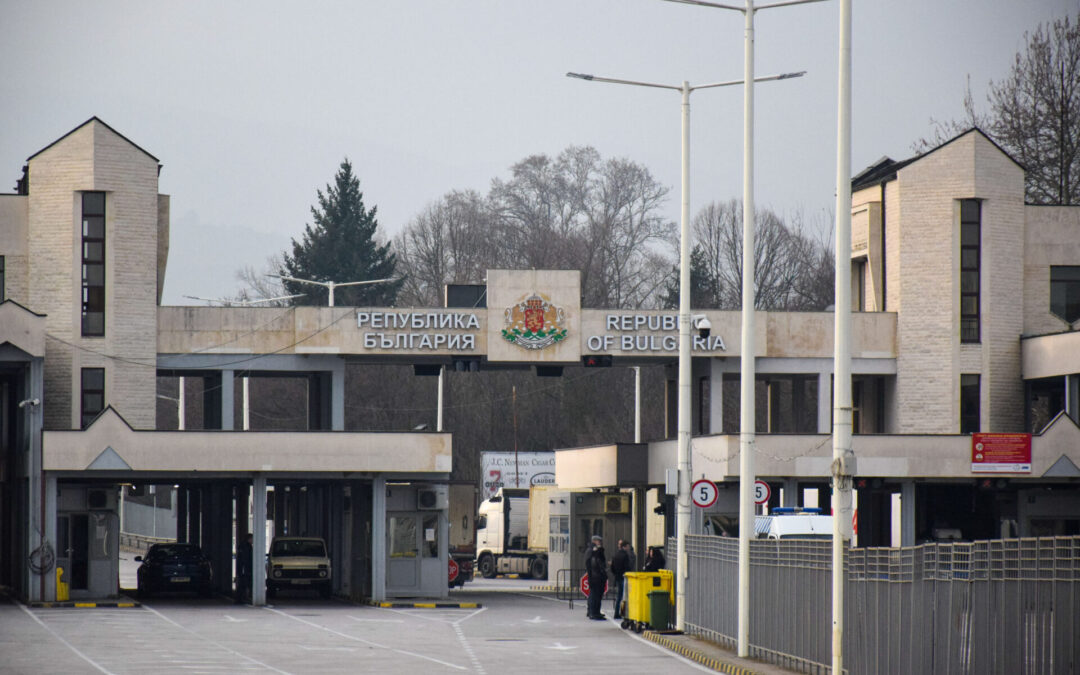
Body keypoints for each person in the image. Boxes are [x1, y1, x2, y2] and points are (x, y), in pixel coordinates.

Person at [583, 534, 608, 620]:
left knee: (593, 594)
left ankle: (592, 611)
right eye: (599, 541)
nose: (600, 543)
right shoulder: (593, 552)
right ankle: (594, 612)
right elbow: (593, 565)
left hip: (593, 576)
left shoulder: (590, 551)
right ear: (595, 541)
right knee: (595, 595)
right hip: (595, 577)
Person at [610, 540, 631, 619]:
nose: (628, 548)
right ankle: (623, 613)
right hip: (623, 577)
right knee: (624, 596)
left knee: (619, 596)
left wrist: (615, 573)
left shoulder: (616, 554)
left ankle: (616, 612)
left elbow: (612, 567)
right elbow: (627, 567)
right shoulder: (625, 555)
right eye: (628, 546)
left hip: (618, 577)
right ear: (624, 547)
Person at [235, 533, 253, 604]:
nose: (253, 540)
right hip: (245, 568)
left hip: (242, 568)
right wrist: (246, 569)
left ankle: (240, 598)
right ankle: (240, 599)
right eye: (252, 539)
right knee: (243, 583)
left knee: (242, 583)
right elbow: (245, 558)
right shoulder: (247, 547)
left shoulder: (242, 546)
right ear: (249, 539)